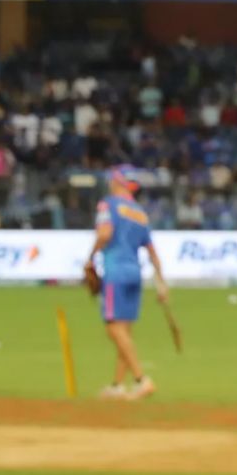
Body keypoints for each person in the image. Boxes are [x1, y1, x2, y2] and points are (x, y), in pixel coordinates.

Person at [86, 166, 168, 399]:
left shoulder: (108, 204)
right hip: (135, 273)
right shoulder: (139, 212)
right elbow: (152, 252)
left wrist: (89, 258)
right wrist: (161, 283)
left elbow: (104, 234)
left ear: (118, 182)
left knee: (113, 328)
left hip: (116, 271)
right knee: (125, 331)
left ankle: (142, 379)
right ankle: (117, 385)